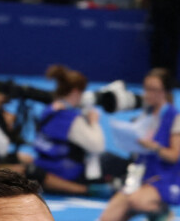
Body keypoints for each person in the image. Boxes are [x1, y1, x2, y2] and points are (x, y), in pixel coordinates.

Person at [99, 67, 180, 221]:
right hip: (140, 175)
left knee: (136, 200)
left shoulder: (176, 118)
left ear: (165, 91)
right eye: (146, 88)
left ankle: (162, 211)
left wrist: (153, 147)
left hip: (164, 177)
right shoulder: (144, 115)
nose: (148, 94)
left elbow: (174, 156)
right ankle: (139, 205)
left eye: (154, 89)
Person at [33, 64, 130, 197]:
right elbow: (98, 147)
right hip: (68, 172)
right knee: (115, 161)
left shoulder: (49, 110)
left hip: (45, 164)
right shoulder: (71, 119)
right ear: (75, 92)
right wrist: (93, 122)